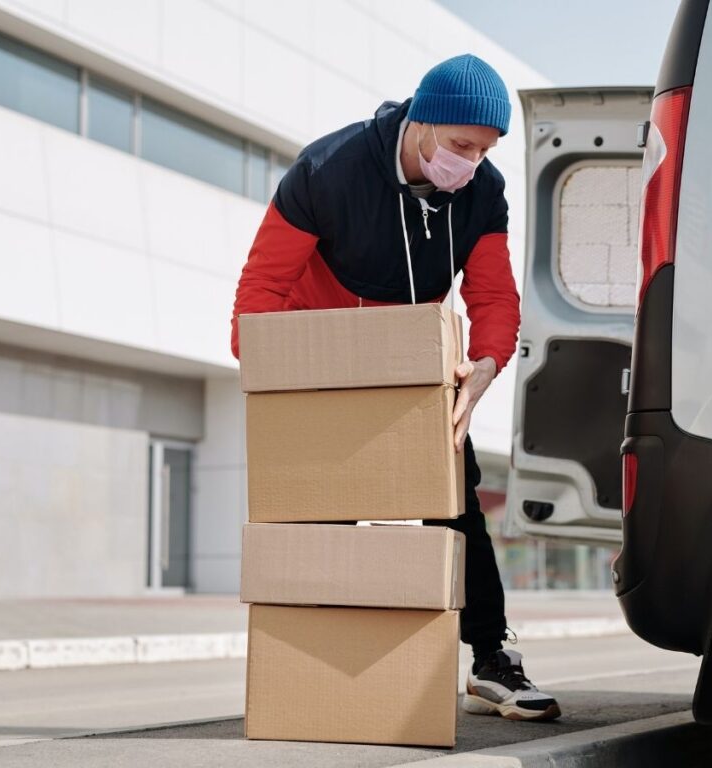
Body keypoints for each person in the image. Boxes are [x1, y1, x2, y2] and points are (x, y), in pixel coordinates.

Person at [231, 54, 561, 722]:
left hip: (412, 366)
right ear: (421, 124)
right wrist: (275, 383)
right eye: (462, 146)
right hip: (321, 362)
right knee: (327, 520)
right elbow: (259, 291)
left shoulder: (480, 190)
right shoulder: (328, 170)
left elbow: (495, 295)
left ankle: (493, 658)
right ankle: (317, 671)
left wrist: (487, 366)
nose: (470, 163)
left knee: (457, 506)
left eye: (484, 150)